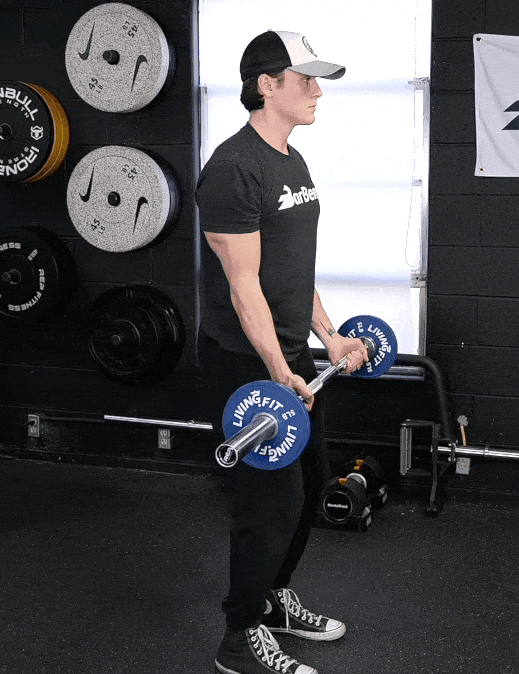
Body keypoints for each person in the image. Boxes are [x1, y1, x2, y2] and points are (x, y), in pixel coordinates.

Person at [196, 30, 370, 674]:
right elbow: (243, 290)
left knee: (312, 486)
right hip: (247, 365)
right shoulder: (233, 170)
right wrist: (277, 371)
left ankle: (272, 602)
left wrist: (328, 337)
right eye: (305, 80)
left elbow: (294, 270)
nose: (318, 91)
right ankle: (239, 638)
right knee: (268, 504)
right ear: (267, 86)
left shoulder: (291, 162)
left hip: (292, 359)